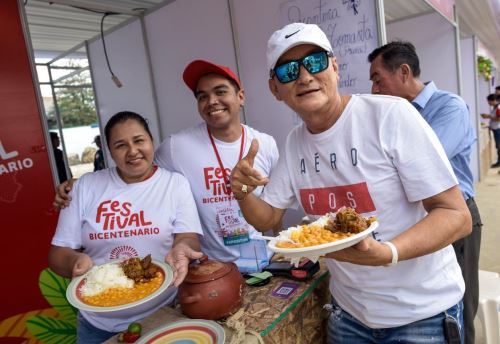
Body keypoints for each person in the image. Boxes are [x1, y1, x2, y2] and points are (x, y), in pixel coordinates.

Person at [230, 22, 472, 343]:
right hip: (349, 316)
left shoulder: (389, 115)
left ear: (334, 66)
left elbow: (456, 216)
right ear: (275, 88)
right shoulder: (293, 143)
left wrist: (387, 253)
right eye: (289, 71)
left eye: (315, 62)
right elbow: (268, 218)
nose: (304, 76)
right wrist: (243, 193)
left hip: (421, 315)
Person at [54, 61, 279, 272]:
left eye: (220, 92)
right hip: (208, 268)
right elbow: (137, 169)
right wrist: (80, 185)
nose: (212, 101)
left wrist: (283, 252)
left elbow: (276, 209)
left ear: (241, 97)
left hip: (262, 260)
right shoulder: (177, 146)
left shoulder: (266, 145)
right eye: (202, 96)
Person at [48, 111, 203, 344]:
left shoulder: (174, 184)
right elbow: (57, 255)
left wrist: (182, 249)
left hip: (164, 314)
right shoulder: (85, 187)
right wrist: (74, 262)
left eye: (139, 140)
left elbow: (188, 238)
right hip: (97, 324)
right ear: (109, 151)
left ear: (152, 141)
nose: (132, 151)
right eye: (121, 145)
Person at [367, 41, 483, 344]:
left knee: (459, 302)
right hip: (418, 220)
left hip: (455, 216)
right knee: (431, 303)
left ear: (404, 72)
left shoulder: (449, 107)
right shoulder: (390, 116)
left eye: (378, 79)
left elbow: (424, 167)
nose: (375, 89)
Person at [481, 93, 500, 168]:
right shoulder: (495, 108)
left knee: (499, 146)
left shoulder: (498, 108)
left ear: (494, 100)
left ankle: (499, 163)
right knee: (498, 146)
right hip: (496, 129)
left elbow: (498, 119)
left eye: (489, 101)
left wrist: (488, 116)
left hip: (498, 129)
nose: (489, 103)